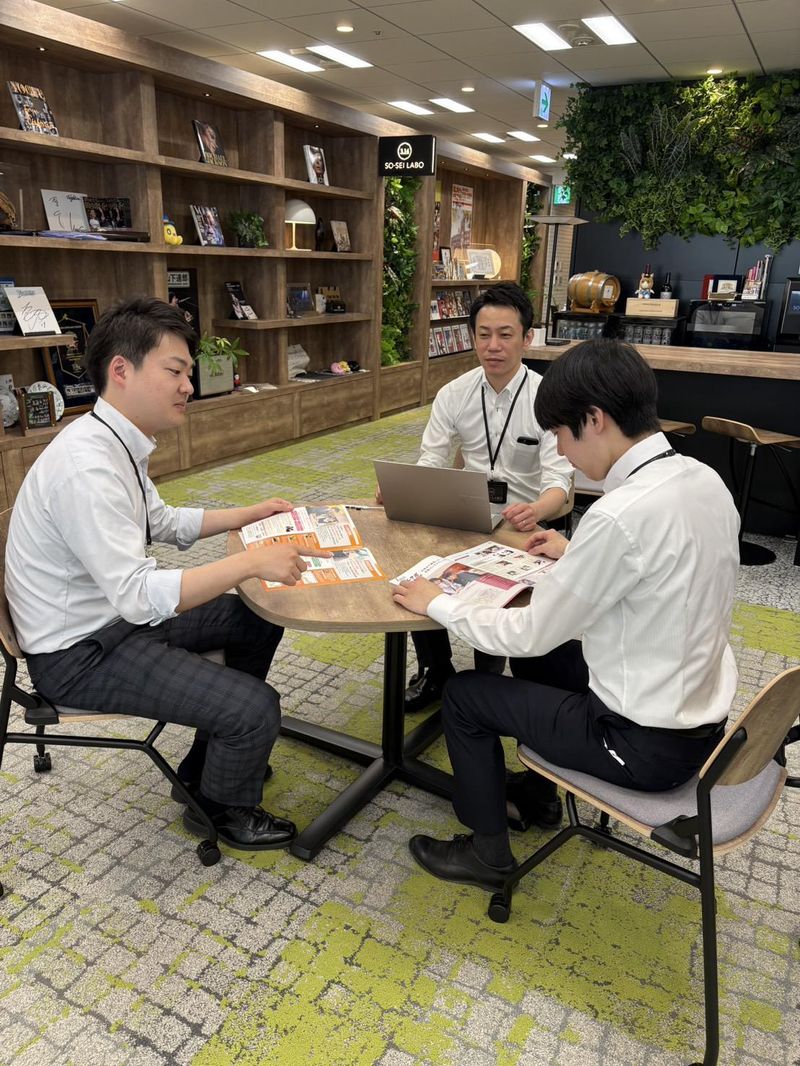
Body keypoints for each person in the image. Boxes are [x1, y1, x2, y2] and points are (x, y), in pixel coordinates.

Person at [393, 339, 740, 892]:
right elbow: (662, 567)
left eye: (560, 433)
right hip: (693, 715)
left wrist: (435, 601)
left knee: (464, 697)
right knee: (546, 662)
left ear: (594, 420)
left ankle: (487, 855)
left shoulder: (619, 515)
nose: (561, 450)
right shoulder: (703, 480)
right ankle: (539, 795)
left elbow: (529, 632)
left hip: (640, 744)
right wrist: (574, 552)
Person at [5, 296, 330, 852]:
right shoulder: (87, 466)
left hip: (110, 623)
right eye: (175, 371)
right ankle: (219, 809)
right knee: (255, 708)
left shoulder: (113, 439)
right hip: (79, 653)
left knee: (255, 619)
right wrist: (249, 562)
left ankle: (210, 770)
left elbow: (161, 521)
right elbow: (138, 596)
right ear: (121, 370)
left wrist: (249, 514)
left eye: (187, 372)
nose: (188, 386)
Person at [393, 282, 573, 713]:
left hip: (525, 524)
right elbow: (431, 459)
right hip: (464, 514)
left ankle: (484, 683)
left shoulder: (547, 399)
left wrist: (536, 509)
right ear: (472, 337)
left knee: (495, 594)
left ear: (527, 338)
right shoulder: (454, 394)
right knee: (414, 565)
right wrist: (406, 487)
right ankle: (436, 670)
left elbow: (560, 481)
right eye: (484, 334)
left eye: (505, 334)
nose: (494, 346)